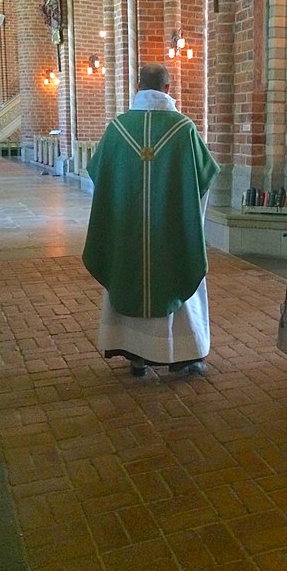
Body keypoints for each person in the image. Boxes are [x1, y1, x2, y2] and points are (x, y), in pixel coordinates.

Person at [82, 63, 220, 376]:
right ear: (168, 89)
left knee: (128, 272)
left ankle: (135, 354)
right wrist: (186, 217)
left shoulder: (117, 129)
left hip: (126, 233)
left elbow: (97, 179)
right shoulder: (183, 129)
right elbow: (205, 180)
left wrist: (121, 211)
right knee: (176, 274)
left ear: (137, 87)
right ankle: (180, 355)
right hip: (171, 235)